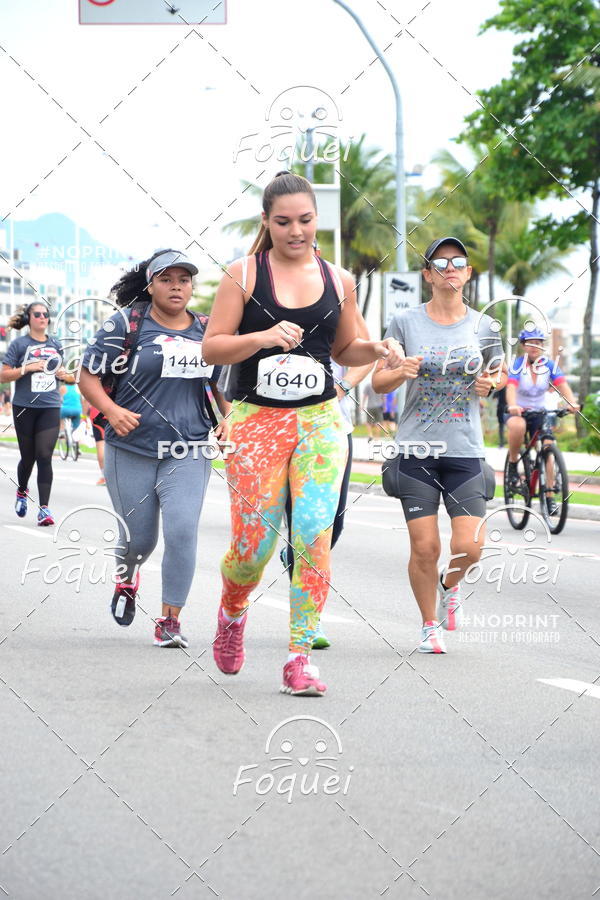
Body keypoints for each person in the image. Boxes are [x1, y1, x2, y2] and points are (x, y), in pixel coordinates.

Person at [201, 171, 402, 696]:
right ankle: (233, 609)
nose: (297, 231)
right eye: (284, 222)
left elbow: (343, 351)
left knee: (313, 536)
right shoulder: (243, 274)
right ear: (267, 223)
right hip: (256, 421)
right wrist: (263, 337)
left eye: (306, 221)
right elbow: (212, 347)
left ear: (319, 220)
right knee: (253, 548)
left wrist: (375, 349)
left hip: (318, 421)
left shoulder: (339, 280)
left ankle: (299, 656)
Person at [79, 249, 229, 648]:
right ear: (150, 285)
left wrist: (228, 417)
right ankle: (126, 579)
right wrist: (111, 411)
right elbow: (87, 377)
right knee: (139, 540)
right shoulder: (124, 325)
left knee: (182, 531)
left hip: (189, 447)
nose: (176, 285)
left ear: (193, 286)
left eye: (184, 279)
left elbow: (219, 382)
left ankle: (170, 620)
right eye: (166, 279)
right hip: (131, 448)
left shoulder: (208, 330)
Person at [373, 236, 507, 654]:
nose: (450, 267)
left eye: (459, 262)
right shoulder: (405, 323)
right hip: (416, 449)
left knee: (469, 547)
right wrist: (401, 371)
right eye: (440, 262)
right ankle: (429, 622)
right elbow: (378, 381)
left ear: (467, 273)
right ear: (428, 275)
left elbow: (499, 374)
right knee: (425, 547)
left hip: (465, 449)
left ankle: (451, 586)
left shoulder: (484, 326)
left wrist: (492, 383)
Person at [280, 308, 375, 650]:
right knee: (305, 527)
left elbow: (367, 353)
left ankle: (294, 558)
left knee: (332, 524)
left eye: (315, 250)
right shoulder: (265, 295)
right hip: (282, 427)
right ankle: (309, 618)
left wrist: (343, 385)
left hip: (334, 427)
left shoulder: (337, 299)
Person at [1, 301, 74, 525]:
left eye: (46, 314)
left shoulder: (55, 344)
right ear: (29, 318)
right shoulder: (19, 345)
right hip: (24, 407)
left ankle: (44, 509)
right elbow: (4, 376)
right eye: (38, 314)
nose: (43, 317)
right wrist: (28, 368)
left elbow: (68, 376)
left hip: (50, 406)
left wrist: (64, 373)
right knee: (29, 457)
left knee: (44, 455)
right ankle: (22, 491)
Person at [505, 328, 579, 512]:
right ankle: (513, 464)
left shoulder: (550, 365)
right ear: (523, 346)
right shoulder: (517, 365)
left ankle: (550, 496)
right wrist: (513, 405)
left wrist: (572, 403)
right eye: (530, 343)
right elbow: (511, 388)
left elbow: (563, 385)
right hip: (519, 411)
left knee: (548, 448)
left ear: (542, 346)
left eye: (538, 343)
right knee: (518, 426)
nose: (534, 346)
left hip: (540, 412)